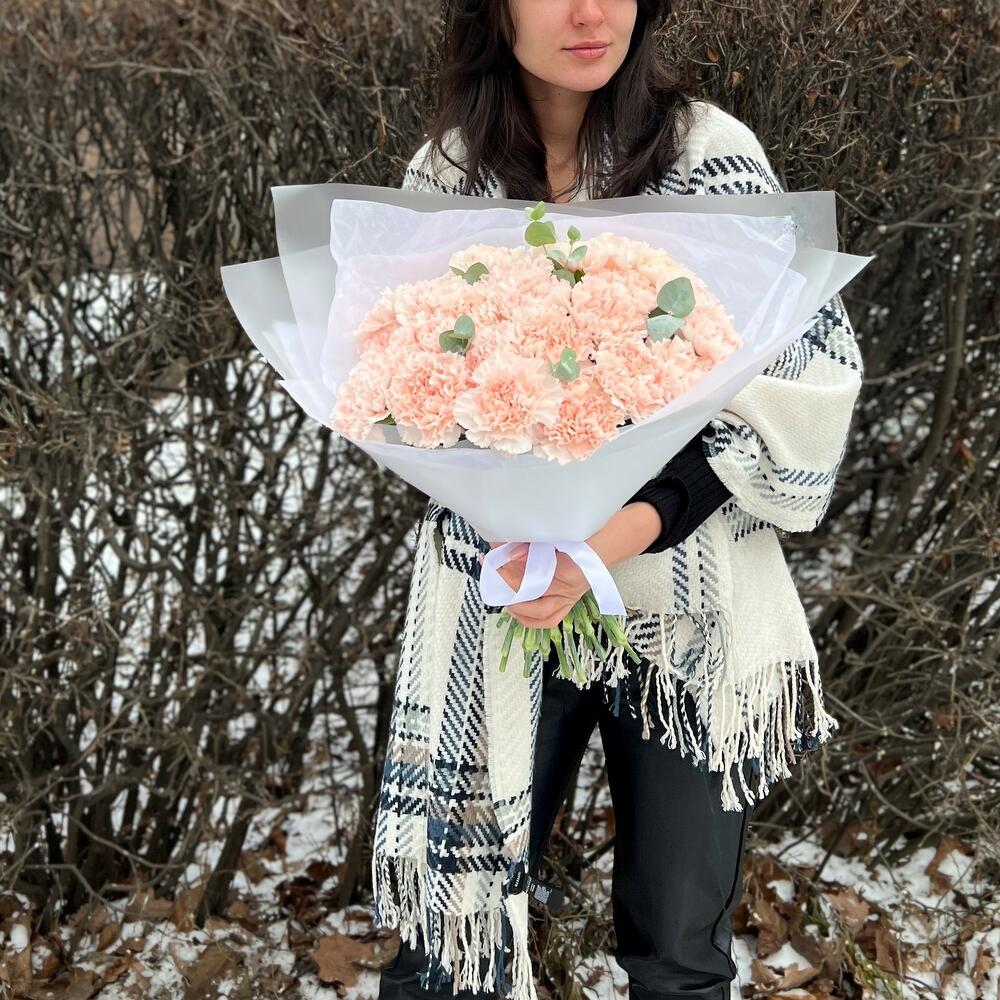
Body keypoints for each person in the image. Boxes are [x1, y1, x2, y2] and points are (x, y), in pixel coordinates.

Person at [376, 0, 864, 997]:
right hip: (501, 598)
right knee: (450, 946)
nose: (590, 12)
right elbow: (399, 377)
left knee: (678, 958)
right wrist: (513, 519)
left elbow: (800, 378)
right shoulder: (448, 175)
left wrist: (603, 540)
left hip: (680, 613)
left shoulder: (706, 156)